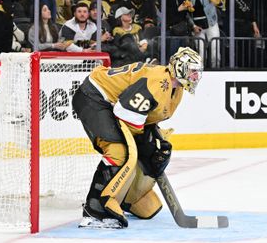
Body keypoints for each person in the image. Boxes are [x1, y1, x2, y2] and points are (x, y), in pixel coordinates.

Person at [71, 47, 203, 229]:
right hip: (94, 97)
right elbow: (124, 112)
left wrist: (152, 142)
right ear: (180, 68)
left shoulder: (176, 89)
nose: (196, 77)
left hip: (114, 104)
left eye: (197, 72)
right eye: (192, 71)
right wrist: (143, 142)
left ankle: (128, 197)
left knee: (156, 150)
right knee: (119, 152)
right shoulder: (157, 82)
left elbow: (145, 115)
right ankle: (95, 211)